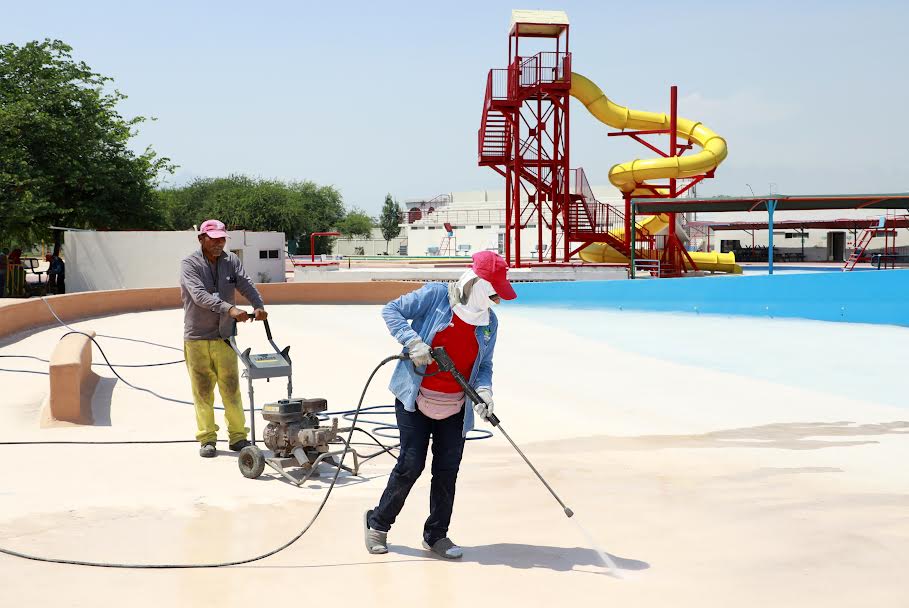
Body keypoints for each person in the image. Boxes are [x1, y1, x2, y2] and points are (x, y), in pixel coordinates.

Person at [364, 251, 517, 559]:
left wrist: (485, 393)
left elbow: (484, 364)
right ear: (477, 283)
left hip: (456, 405)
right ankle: (378, 524)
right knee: (411, 464)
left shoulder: (489, 324)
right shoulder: (436, 296)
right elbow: (391, 310)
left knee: (447, 470)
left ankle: (436, 535)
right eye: (494, 290)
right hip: (415, 397)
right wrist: (412, 341)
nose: (497, 298)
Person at [180, 219, 267, 458]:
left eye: (222, 239)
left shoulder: (231, 261)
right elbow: (199, 296)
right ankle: (207, 438)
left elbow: (245, 283)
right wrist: (230, 309)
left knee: (231, 388)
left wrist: (257, 305)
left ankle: (238, 437)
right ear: (201, 239)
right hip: (197, 337)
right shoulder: (190, 264)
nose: (219, 243)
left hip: (225, 336)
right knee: (203, 390)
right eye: (214, 239)